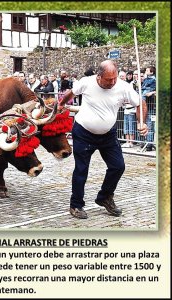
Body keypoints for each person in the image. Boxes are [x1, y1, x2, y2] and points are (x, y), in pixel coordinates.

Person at [58, 60, 148, 219]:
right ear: (98, 76)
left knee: (118, 166)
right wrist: (61, 104)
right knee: (81, 170)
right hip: (83, 132)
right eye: (108, 79)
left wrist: (142, 122)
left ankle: (105, 197)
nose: (113, 82)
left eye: (114, 78)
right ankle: (76, 205)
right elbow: (71, 93)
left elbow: (140, 103)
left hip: (108, 135)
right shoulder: (86, 82)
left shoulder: (123, 87)